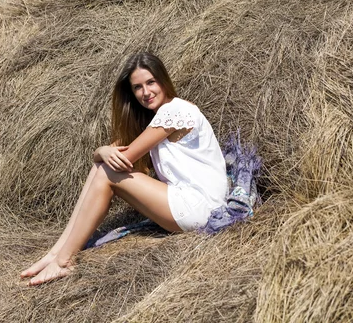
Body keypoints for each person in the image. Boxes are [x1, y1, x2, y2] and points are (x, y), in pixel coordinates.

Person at [20, 51, 228, 286]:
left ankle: (64, 260)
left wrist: (103, 152)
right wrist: (101, 151)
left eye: (151, 82)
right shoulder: (158, 116)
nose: (146, 92)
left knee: (106, 171)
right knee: (102, 167)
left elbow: (124, 157)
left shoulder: (174, 111)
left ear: (163, 80)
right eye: (138, 87)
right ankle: (56, 253)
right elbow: (109, 155)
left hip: (201, 206)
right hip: (191, 204)